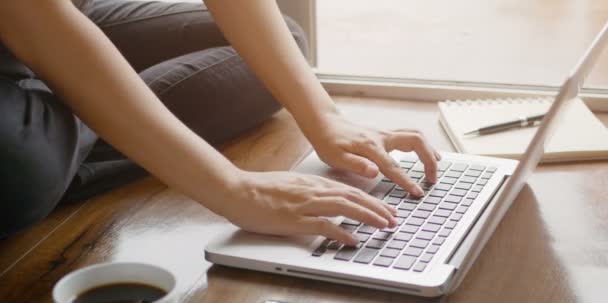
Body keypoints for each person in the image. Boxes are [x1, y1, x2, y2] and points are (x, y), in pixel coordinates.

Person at [0, 0, 440, 244]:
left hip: (66, 15)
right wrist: (232, 186)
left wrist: (323, 117)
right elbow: (35, 24)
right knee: (17, 170)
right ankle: (94, 110)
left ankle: (90, 113)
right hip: (33, 22)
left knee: (278, 45)